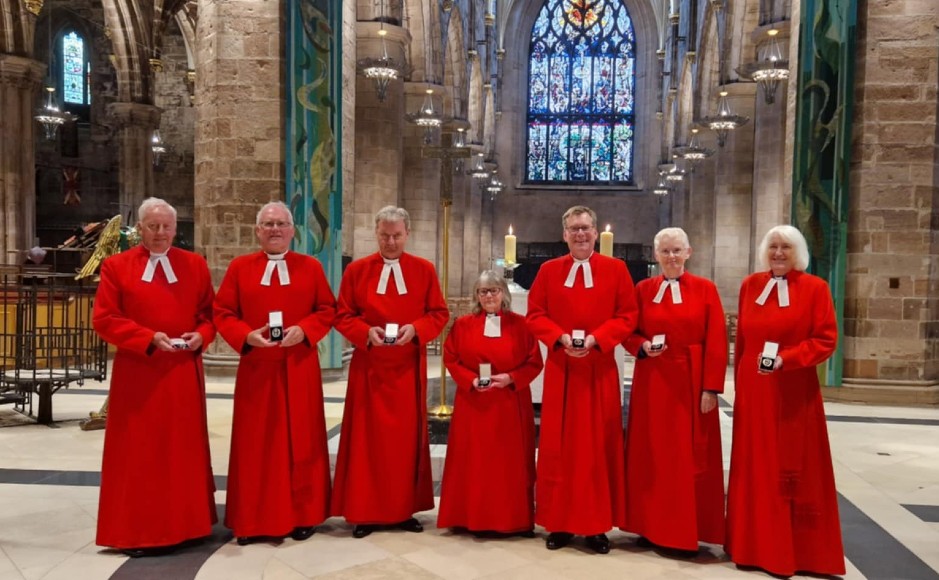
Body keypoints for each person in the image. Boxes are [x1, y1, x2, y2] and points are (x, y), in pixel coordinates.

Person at [93, 197, 216, 557]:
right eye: (152, 226)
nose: (160, 233)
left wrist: (201, 337)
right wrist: (148, 338)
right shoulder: (117, 267)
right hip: (140, 374)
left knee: (182, 450)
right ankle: (140, 531)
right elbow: (104, 319)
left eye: (166, 227)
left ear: (176, 229)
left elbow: (209, 314)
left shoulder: (194, 265)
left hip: (181, 373)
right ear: (140, 229)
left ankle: (189, 525)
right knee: (141, 453)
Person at [725, 225, 845, 576]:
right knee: (754, 465)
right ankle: (750, 546)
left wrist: (786, 359)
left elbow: (825, 340)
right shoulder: (751, 286)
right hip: (754, 390)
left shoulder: (815, 288)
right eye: (773, 247)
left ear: (798, 253)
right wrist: (739, 388)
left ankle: (792, 551)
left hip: (793, 391)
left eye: (786, 248)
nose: (778, 253)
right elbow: (743, 343)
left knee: (789, 465)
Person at [214, 201, 336, 545]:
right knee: (257, 445)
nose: (275, 230)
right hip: (258, 368)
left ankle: (303, 515)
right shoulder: (240, 268)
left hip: (299, 367)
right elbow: (222, 311)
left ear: (293, 231)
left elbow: (327, 309)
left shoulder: (310, 267)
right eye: (268, 224)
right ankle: (253, 520)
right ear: (257, 231)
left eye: (281, 224)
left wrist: (306, 330)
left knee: (302, 443)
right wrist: (245, 336)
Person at [526, 205, 638, 553]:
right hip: (562, 371)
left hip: (599, 370)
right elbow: (535, 314)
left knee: (597, 448)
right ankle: (559, 523)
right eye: (574, 228)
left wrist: (596, 340)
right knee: (559, 448)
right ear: (564, 234)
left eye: (586, 228)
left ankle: (595, 526)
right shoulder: (548, 271)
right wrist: (559, 338)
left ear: (595, 232)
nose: (580, 234)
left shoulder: (617, 270)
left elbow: (628, 315)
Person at [332, 206, 449, 538]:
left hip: (407, 369)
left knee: (404, 443)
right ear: (376, 232)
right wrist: (365, 332)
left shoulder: (423, 270)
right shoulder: (357, 271)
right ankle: (366, 510)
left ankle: (401, 509)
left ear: (407, 234)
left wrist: (416, 329)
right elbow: (343, 315)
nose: (391, 241)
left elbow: (439, 314)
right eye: (385, 235)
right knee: (368, 442)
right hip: (369, 368)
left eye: (397, 235)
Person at [621, 227, 727, 554]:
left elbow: (717, 341)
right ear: (655, 256)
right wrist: (640, 346)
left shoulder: (706, 289)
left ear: (688, 253)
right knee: (650, 453)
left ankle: (684, 530)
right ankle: (648, 525)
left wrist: (711, 388)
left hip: (690, 383)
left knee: (686, 456)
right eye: (665, 251)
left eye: (677, 251)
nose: (671, 257)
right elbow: (628, 330)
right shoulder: (642, 289)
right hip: (652, 381)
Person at [438, 271, 543, 536]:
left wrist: (511, 378)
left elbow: (534, 362)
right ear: (477, 296)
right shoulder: (463, 325)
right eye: (483, 292)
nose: (489, 296)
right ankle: (468, 516)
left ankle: (512, 519)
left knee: (507, 465)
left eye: (494, 290)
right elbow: (450, 357)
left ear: (504, 294)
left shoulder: (522, 325)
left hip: (509, 404)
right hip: (473, 404)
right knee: (473, 462)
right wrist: (470, 380)